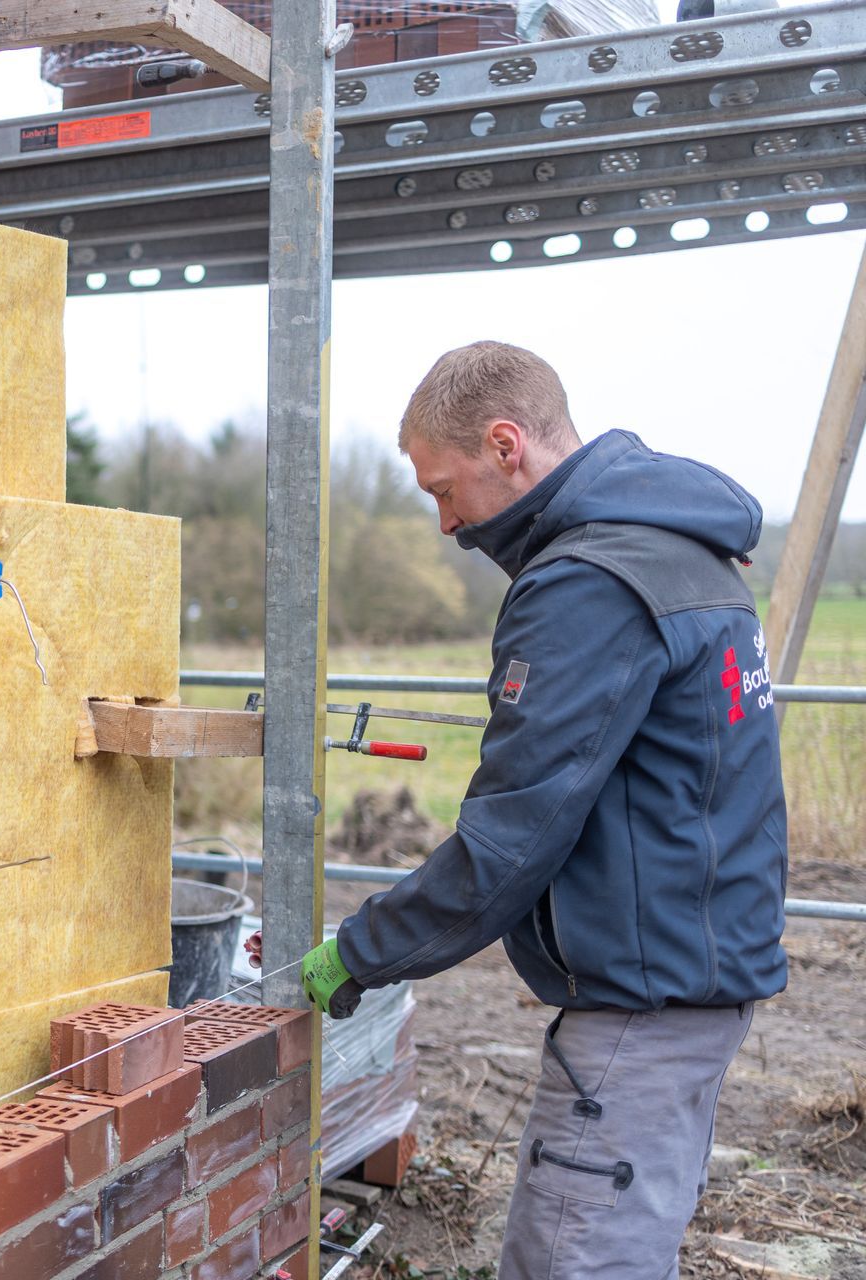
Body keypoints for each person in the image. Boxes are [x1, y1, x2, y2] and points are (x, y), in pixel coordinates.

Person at [298, 341, 790, 1279]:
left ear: (505, 444)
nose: (446, 522)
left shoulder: (588, 583)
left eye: (445, 490)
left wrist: (360, 951)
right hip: (694, 981)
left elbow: (512, 837)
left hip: (640, 1012)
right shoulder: (682, 548)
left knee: (570, 1258)